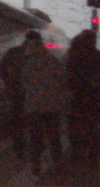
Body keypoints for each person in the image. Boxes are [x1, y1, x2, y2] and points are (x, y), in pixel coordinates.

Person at [20, 30, 68, 174]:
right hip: (52, 106)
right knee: (54, 136)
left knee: (35, 138)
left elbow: (23, 84)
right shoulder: (54, 62)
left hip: (33, 106)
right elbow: (63, 81)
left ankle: (36, 165)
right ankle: (58, 163)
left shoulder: (27, 65)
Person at [64, 29, 100, 164]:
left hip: (77, 95)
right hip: (94, 95)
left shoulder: (73, 55)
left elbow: (66, 77)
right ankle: (93, 153)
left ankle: (77, 152)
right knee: (92, 125)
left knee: (75, 124)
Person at [0, 37, 27, 158]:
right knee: (33, 121)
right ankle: (33, 146)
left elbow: (1, 68)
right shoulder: (42, 55)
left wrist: (8, 82)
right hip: (33, 95)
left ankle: (19, 147)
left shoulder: (12, 52)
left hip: (16, 93)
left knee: (17, 121)